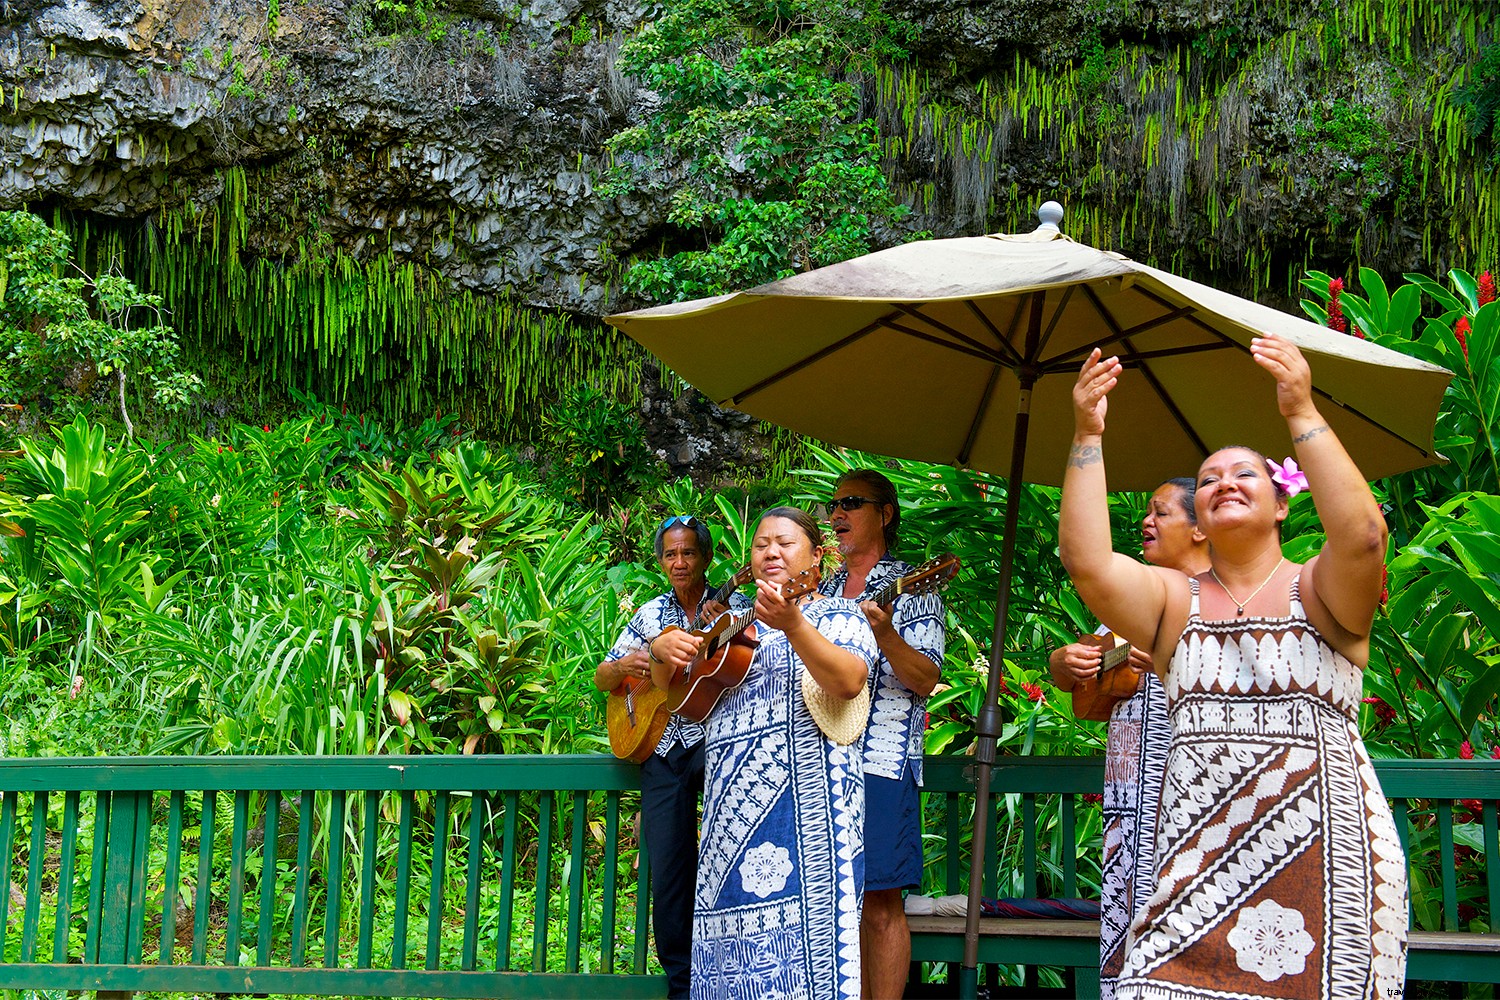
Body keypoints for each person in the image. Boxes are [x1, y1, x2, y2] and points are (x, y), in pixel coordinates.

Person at [1059, 335, 1407, 999]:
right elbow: (1088, 564)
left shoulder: (1321, 591)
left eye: (1244, 474)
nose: (1223, 482)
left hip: (1326, 866)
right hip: (1196, 867)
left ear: (1281, 504)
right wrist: (1086, 431)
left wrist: (1300, 408)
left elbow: (1363, 535)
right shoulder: (1171, 604)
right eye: (1210, 477)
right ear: (1201, 520)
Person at [650, 506, 878, 1000]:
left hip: (809, 821)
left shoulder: (839, 615)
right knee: (725, 962)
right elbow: (681, 702)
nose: (770, 551)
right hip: (727, 822)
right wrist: (660, 655)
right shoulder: (736, 630)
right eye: (760, 545)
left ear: (818, 557)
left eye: (785, 543)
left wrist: (795, 625)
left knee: (807, 970)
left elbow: (849, 681)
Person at [1047, 478, 1208, 1000]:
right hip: (1127, 800)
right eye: (1146, 512)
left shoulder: (1223, 597)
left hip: (1189, 799)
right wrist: (1064, 663)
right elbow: (1082, 682)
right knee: (1125, 938)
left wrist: (1172, 655)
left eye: (1160, 513)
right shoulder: (1133, 597)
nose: (1146, 523)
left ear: (1200, 527)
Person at [595, 515, 745, 1000]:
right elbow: (603, 677)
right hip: (661, 748)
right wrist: (627, 664)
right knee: (670, 870)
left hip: (717, 743)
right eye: (670, 554)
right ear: (660, 561)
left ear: (706, 557)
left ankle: (734, 973)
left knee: (731, 858)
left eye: (689, 553)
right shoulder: (649, 613)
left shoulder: (732, 606)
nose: (679, 562)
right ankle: (682, 987)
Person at [818, 469, 944, 1000]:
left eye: (851, 503)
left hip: (881, 760)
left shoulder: (914, 589)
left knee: (879, 901)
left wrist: (885, 632)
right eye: (833, 504)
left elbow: (925, 678)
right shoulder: (817, 587)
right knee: (822, 902)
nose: (836, 514)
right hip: (815, 758)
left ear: (885, 514)